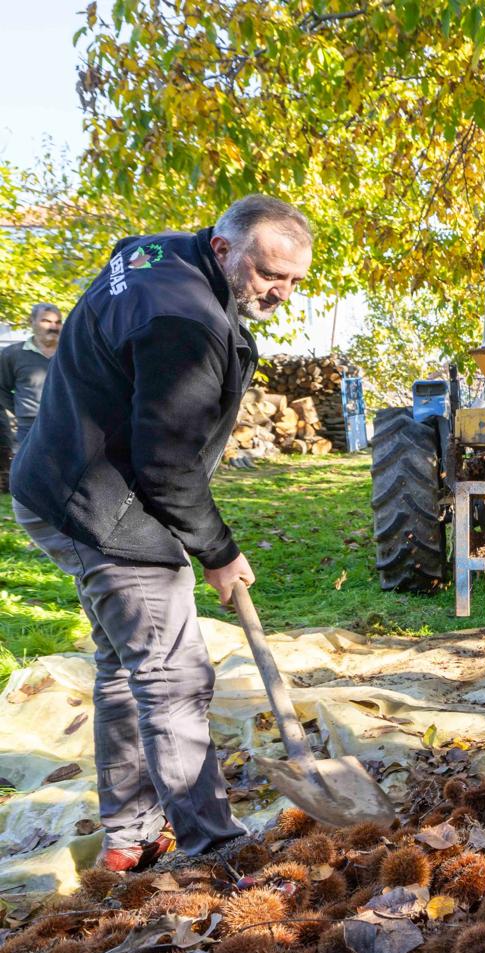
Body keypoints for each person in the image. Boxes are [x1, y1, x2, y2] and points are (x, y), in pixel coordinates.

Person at [10, 194, 313, 870]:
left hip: (60, 482)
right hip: (101, 504)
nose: (281, 294)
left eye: (295, 281)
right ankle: (212, 847)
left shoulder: (156, 251)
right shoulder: (185, 322)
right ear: (225, 248)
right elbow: (167, 463)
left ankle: (130, 837)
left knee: (126, 667)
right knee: (172, 671)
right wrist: (218, 550)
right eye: (269, 275)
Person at [0, 302, 63, 491]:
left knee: (65, 475)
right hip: (29, 425)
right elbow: (1, 388)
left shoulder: (71, 351)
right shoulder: (13, 354)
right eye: (46, 320)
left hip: (68, 422)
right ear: (32, 322)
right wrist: (20, 409)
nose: (53, 326)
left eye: (58, 322)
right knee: (32, 476)